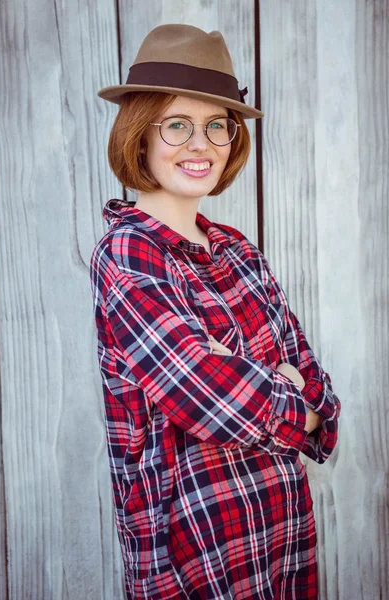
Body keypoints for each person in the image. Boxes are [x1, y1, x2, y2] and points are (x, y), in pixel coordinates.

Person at [90, 23, 341, 600]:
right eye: (176, 124)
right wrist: (284, 394)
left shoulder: (238, 252)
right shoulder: (130, 253)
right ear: (140, 134)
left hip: (281, 536)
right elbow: (210, 399)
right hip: (194, 552)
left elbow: (316, 387)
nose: (198, 144)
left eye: (215, 125)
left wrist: (260, 381)